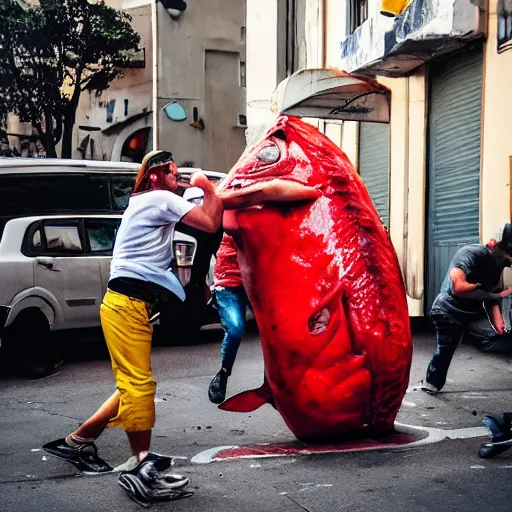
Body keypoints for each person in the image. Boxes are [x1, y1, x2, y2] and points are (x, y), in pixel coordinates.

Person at [43, 150, 222, 505]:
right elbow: (210, 222)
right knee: (140, 385)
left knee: (131, 384)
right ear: (155, 176)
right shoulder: (158, 198)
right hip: (127, 303)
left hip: (129, 304)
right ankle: (142, 465)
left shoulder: (151, 200)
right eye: (172, 173)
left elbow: (198, 202)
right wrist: (205, 185)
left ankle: (75, 443)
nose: (178, 178)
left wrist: (202, 188)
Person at [422, 224, 512, 395]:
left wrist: (498, 322)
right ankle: (432, 382)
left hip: (473, 312)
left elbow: (491, 296)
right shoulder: (471, 252)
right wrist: (477, 287)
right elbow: (458, 286)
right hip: (448, 309)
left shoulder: (499, 264)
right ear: (494, 244)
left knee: (495, 339)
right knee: (446, 347)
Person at [208, 233, 250, 404]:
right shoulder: (234, 210)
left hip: (260, 278)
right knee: (235, 329)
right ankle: (224, 373)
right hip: (229, 280)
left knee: (275, 332)